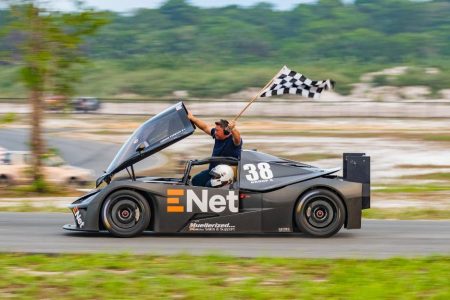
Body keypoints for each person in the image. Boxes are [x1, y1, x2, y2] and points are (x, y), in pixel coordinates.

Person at [187, 111, 242, 187]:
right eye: (215, 130)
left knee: (208, 186)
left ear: (226, 132)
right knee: (196, 180)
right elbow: (205, 127)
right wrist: (192, 118)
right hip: (213, 171)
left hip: (224, 176)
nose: (215, 132)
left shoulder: (233, 141)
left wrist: (233, 129)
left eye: (217, 131)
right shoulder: (217, 136)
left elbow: (237, 138)